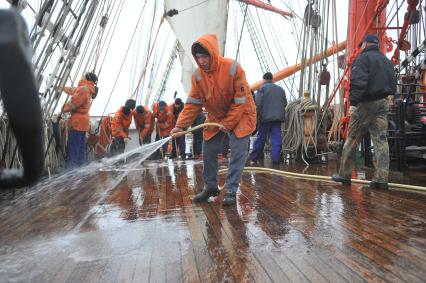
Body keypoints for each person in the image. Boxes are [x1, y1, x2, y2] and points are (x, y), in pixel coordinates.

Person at [171, 33, 256, 206]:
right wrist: (180, 126)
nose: (201, 60)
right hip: (216, 116)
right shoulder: (197, 76)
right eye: (198, 57)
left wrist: (228, 123)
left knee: (238, 152)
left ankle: (231, 189)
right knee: (208, 148)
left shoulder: (233, 68)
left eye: (204, 56)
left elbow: (240, 101)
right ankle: (211, 187)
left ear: (213, 53)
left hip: (242, 114)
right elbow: (192, 104)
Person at [332, 34, 396, 190]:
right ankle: (381, 178)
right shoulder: (386, 61)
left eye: (361, 45)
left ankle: (345, 175)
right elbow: (393, 83)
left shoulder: (362, 59)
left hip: (366, 104)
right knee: (381, 140)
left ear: (365, 44)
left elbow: (358, 82)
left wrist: (354, 103)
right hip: (383, 103)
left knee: (353, 138)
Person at [250, 72, 287, 165]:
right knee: (276, 139)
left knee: (261, 138)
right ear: (272, 79)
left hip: (265, 119)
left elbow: (258, 104)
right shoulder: (281, 90)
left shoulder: (262, 89)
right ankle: (275, 160)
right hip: (277, 119)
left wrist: (257, 117)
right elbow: (285, 103)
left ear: (264, 80)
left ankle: (253, 159)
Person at [62, 72, 98, 168]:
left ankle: (70, 174)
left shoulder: (83, 89)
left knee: (73, 150)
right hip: (83, 124)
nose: (82, 75)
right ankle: (83, 172)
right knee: (81, 149)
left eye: (84, 75)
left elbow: (73, 103)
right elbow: (74, 90)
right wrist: (61, 87)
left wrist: (63, 109)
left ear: (86, 78)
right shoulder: (88, 88)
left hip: (77, 123)